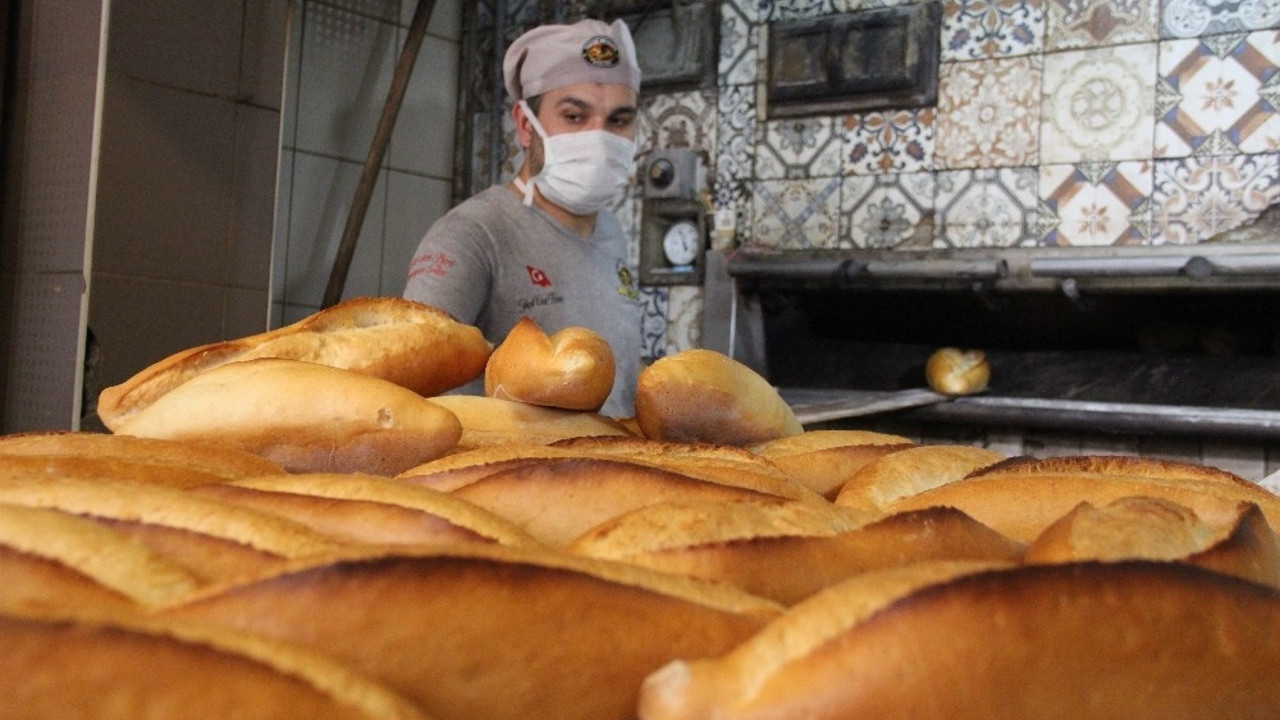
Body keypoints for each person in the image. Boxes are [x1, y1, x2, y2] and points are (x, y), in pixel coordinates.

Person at [403, 18, 643, 419]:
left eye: (618, 120)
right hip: (503, 459)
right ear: (525, 126)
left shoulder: (611, 233)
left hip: (612, 457)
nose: (599, 138)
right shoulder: (474, 235)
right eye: (574, 116)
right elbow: (411, 378)